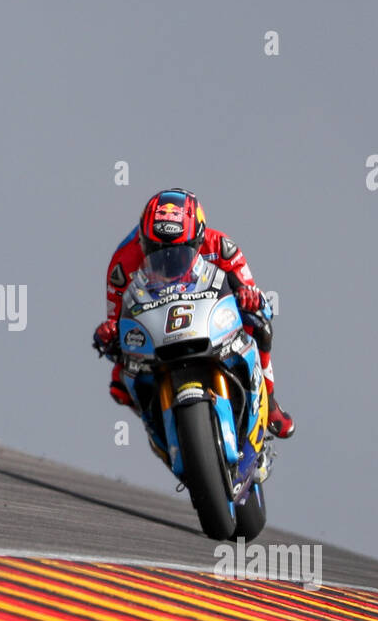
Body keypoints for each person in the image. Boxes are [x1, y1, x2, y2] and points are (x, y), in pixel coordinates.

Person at [92, 188, 295, 438]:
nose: (168, 259)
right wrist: (109, 332)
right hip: (157, 324)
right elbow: (117, 320)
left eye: (179, 250)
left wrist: (250, 297)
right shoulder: (122, 265)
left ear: (198, 240)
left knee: (260, 324)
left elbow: (253, 294)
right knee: (120, 384)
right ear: (143, 241)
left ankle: (270, 402)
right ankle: (161, 431)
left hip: (207, 319)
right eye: (156, 250)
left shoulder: (221, 247)